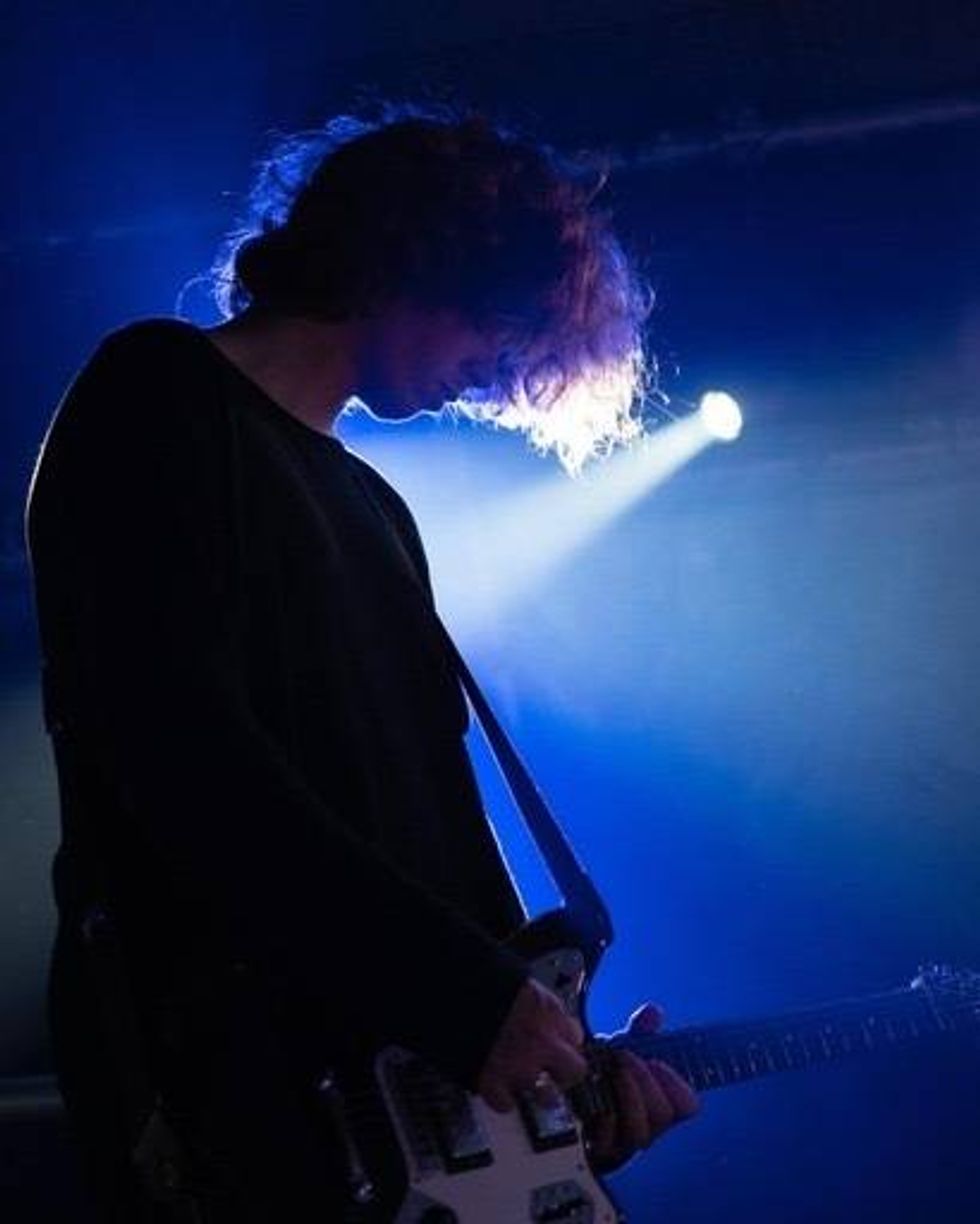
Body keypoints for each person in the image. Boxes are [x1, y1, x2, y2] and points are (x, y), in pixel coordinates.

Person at [27, 107, 698, 1222]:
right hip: (239, 1091)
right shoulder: (159, 392)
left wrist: (550, 1090)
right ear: (417, 257)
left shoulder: (374, 505)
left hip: (378, 1113)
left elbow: (428, 842)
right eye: (498, 324)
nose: (498, 369)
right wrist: (459, 994)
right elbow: (178, 756)